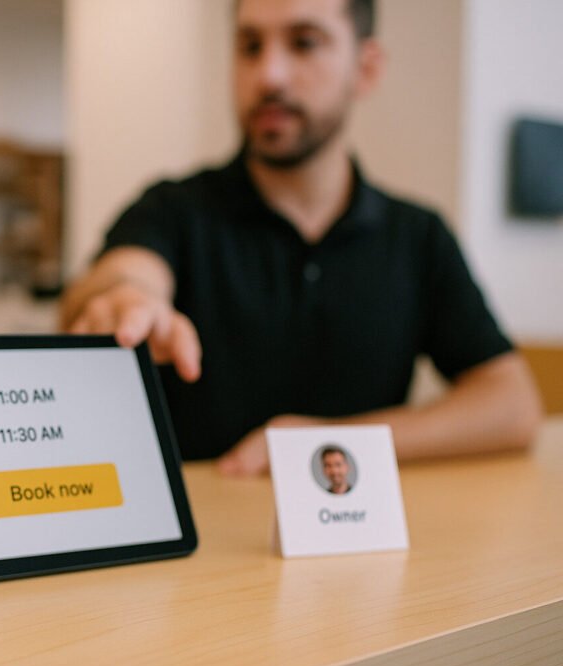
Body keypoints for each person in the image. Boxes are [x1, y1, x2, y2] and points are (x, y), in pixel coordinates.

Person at [60, 0, 543, 475]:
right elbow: (125, 275)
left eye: (304, 43)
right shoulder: (173, 209)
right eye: (250, 46)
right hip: (208, 541)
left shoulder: (416, 235)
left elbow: (513, 405)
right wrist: (125, 299)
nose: (269, 75)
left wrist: (327, 446)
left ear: (366, 68)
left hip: (363, 540)